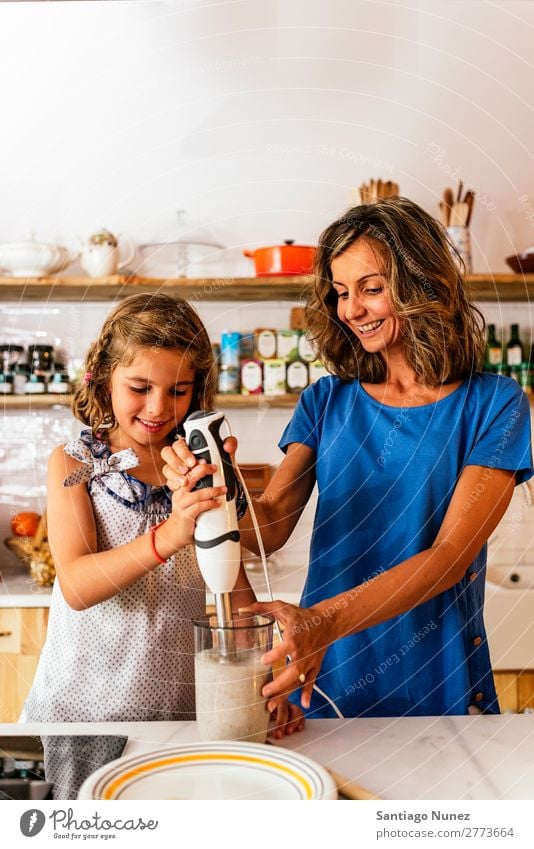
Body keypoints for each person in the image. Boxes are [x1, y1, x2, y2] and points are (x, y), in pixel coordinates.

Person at [163, 198, 533, 719]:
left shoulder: (494, 404)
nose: (351, 310)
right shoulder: (327, 400)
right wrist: (214, 493)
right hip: (324, 679)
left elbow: (450, 557)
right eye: (340, 293)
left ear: (422, 283)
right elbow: (269, 525)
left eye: (371, 289)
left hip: (439, 683)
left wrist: (323, 620)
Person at [22, 293, 298, 733]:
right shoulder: (76, 465)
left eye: (178, 391)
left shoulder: (197, 467)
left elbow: (232, 585)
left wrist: (264, 681)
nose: (157, 408)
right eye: (139, 388)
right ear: (105, 379)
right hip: (77, 720)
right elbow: (76, 586)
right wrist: (172, 533)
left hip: (177, 721)